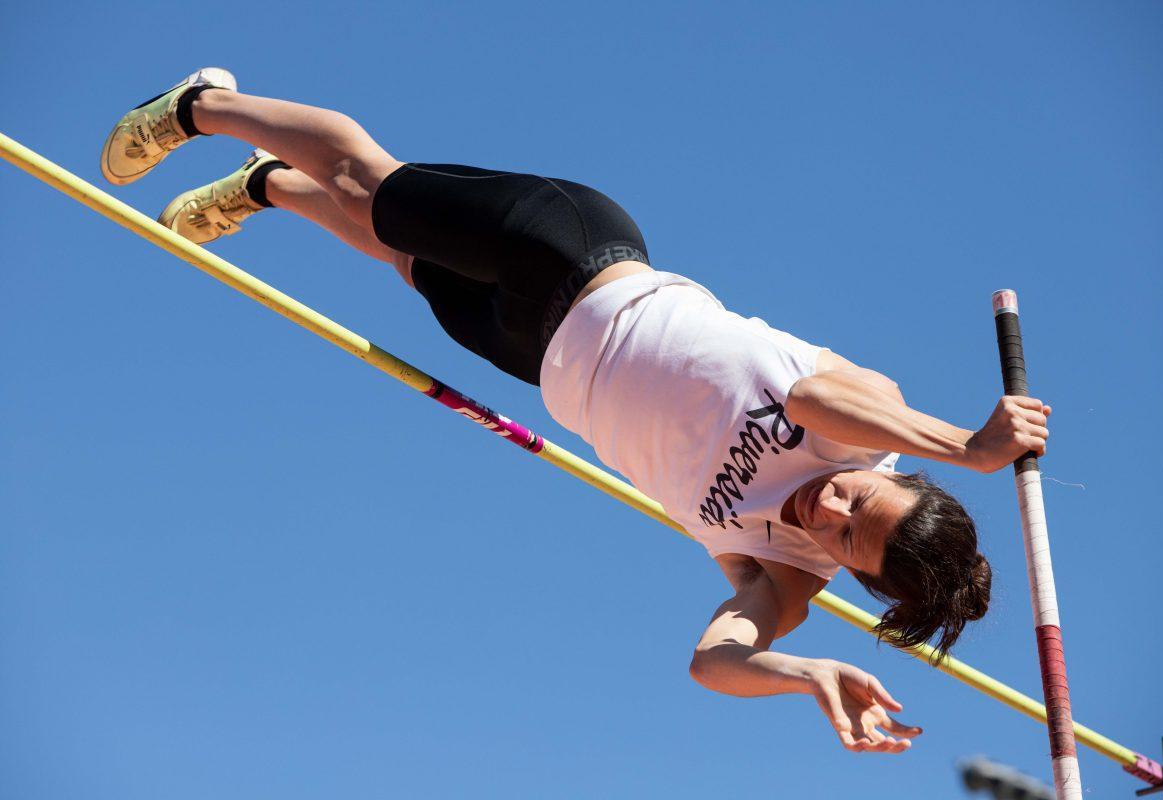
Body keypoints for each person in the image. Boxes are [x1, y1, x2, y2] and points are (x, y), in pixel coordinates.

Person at [101, 68, 1052, 755]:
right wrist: (967, 447)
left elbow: (714, 660)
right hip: (580, 256)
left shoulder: (787, 570)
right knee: (371, 183)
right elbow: (812, 394)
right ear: (891, 474)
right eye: (859, 501)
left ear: (847, 571)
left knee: (402, 258)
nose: (833, 512)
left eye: (850, 539)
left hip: (538, 359)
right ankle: (200, 104)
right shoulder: (864, 424)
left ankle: (263, 186)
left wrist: (800, 673)